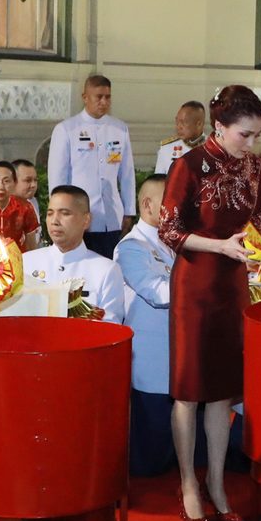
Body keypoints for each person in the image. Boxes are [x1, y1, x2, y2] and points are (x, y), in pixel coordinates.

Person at [158, 84, 261, 521]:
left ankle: (218, 483)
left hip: (233, 281)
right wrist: (220, 247)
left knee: (223, 391)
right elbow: (170, 230)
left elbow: (253, 222)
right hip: (195, 284)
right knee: (188, 391)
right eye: (245, 134)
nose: (252, 144)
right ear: (219, 127)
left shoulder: (255, 164)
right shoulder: (187, 164)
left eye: (258, 134)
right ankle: (188, 484)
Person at [115, 175, 178, 476]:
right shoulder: (132, 247)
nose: (177, 209)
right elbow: (157, 293)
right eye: (170, 202)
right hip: (151, 359)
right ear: (147, 204)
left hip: (176, 354)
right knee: (149, 452)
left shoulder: (174, 243)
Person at [48, 74, 136, 258]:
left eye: (108, 97)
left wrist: (128, 211)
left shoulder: (119, 128)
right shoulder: (67, 129)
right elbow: (58, 178)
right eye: (98, 97)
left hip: (112, 216)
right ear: (85, 97)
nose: (104, 102)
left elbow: (127, 174)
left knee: (112, 265)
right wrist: (60, 214)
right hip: (78, 217)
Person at [23, 185, 124, 323]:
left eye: (64, 213)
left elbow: (110, 326)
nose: (54, 221)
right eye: (50, 213)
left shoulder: (106, 270)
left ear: (86, 220)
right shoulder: (26, 263)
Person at [155, 101, 206, 174]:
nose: (178, 127)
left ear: (199, 124)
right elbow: (159, 182)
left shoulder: (214, 147)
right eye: (177, 122)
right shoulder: (166, 149)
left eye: (183, 122)